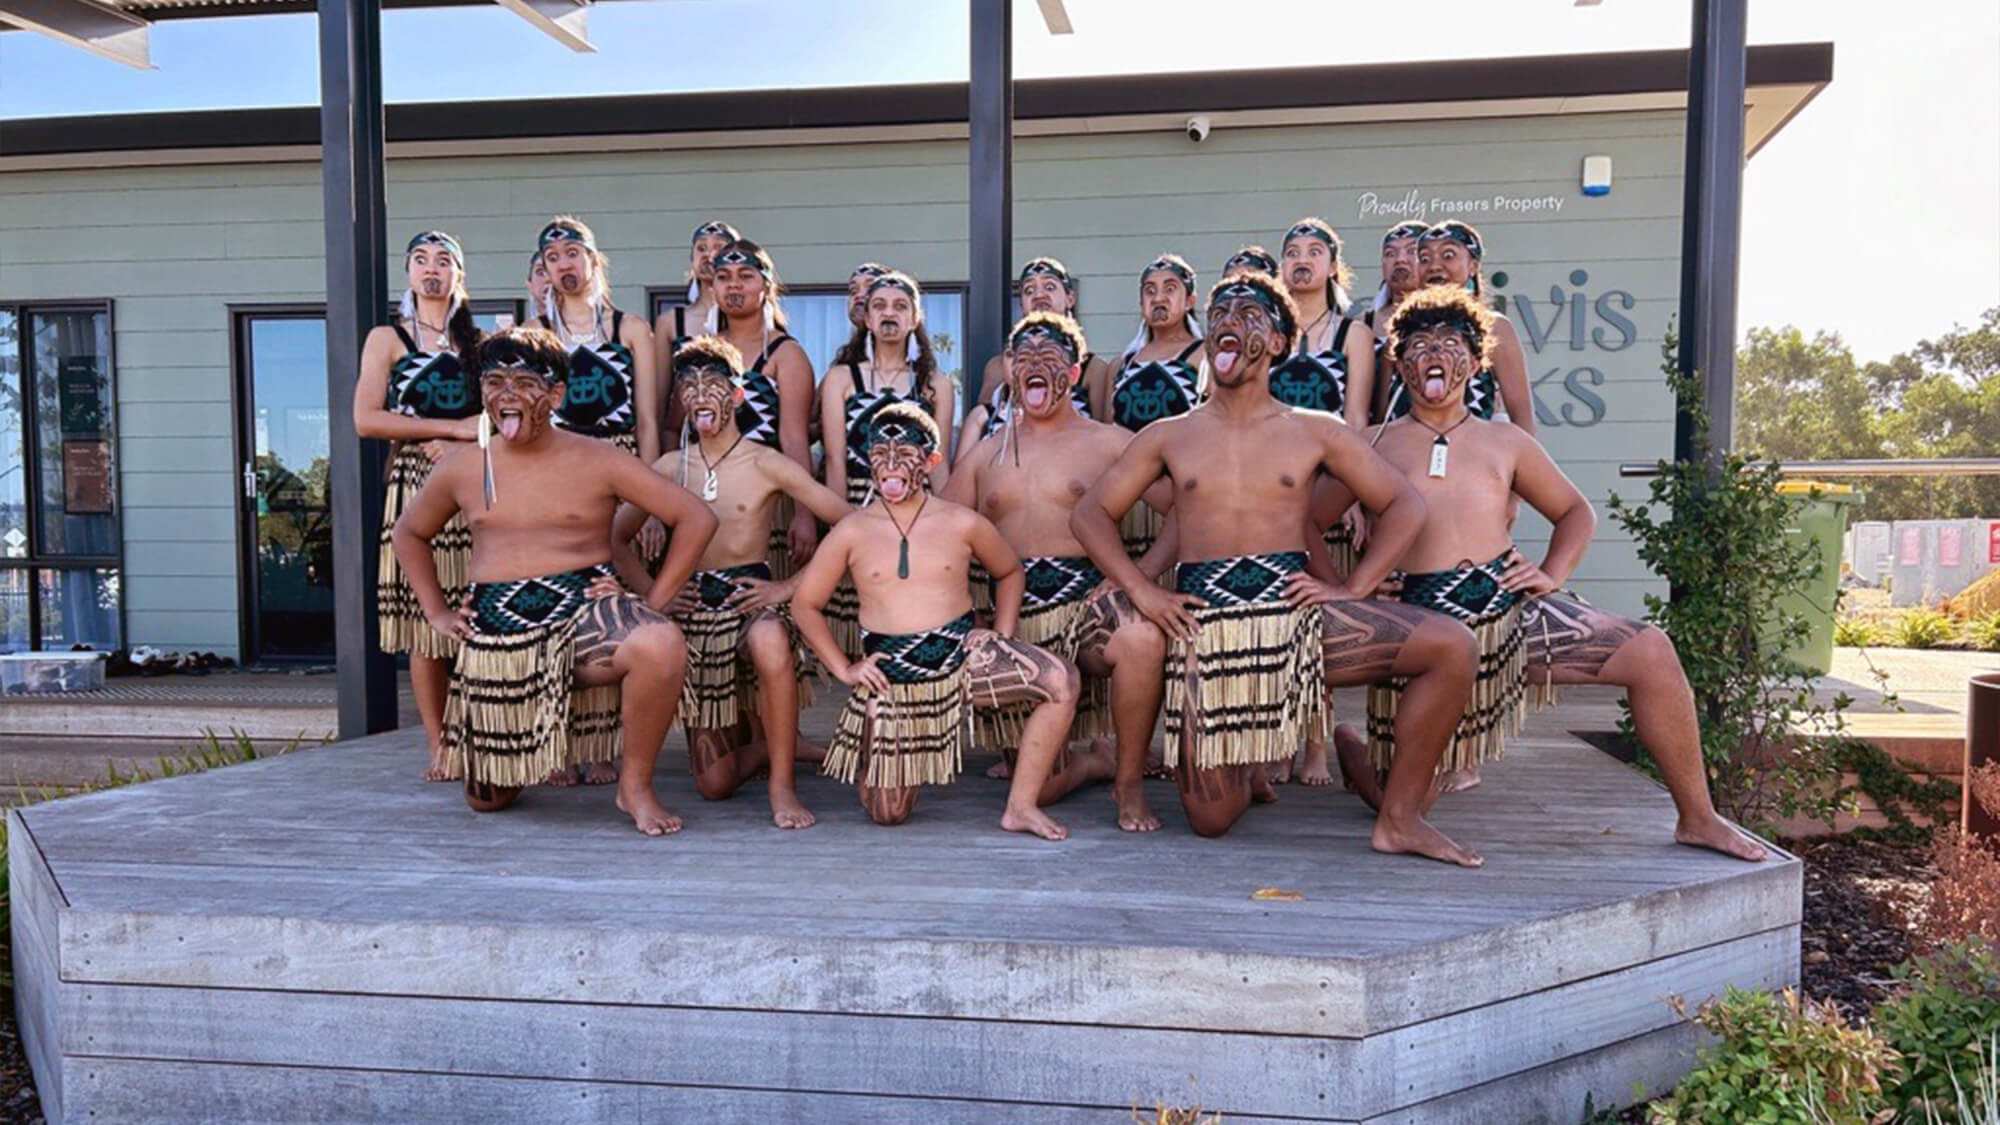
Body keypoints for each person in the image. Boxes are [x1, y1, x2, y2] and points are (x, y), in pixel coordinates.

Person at [1071, 271, 1482, 865]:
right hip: (1207, 630)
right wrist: (1143, 590)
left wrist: (1354, 588)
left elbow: (1404, 505)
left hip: (1297, 619)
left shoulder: (1317, 432)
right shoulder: (1169, 436)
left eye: (1250, 314)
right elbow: (1090, 514)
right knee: (1210, 821)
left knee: (1453, 646)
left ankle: (1400, 817)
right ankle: (1247, 771)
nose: (1229, 324)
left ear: (1282, 341)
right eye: (1220, 316)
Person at [1342, 286, 1765, 862]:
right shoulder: (1372, 443)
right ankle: (1358, 758)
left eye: (1448, 344)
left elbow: (1574, 512)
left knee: (1651, 652)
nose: (1432, 356)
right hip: (1421, 629)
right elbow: (1307, 520)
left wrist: (1550, 573)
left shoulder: (1504, 440)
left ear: (1476, 359)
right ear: (1397, 361)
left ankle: (1698, 816)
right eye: (1416, 346)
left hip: (1509, 615)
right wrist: (1358, 591)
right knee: (1404, 801)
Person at [392, 325, 717, 836]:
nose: (507, 395)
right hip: (500, 632)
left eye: (523, 382)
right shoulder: (463, 466)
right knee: (486, 802)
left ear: (557, 393)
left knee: (659, 642)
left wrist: (653, 601)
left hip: (584, 617)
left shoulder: (598, 458)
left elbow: (695, 517)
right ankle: (525, 754)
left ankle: (635, 785)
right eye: (495, 383)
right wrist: (436, 610)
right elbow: (409, 533)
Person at [792, 402, 1099, 841]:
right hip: (893, 676)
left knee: (1061, 681)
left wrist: (1000, 638)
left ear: (931, 461)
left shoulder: (961, 522)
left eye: (905, 456)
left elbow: (1010, 572)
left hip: (961, 662)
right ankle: (874, 748)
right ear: (869, 459)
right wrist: (845, 668)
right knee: (887, 813)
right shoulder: (851, 530)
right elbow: (805, 604)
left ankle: (1021, 805)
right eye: (881, 455)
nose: (892, 467)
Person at [603, 336, 852, 830]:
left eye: (712, 386)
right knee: (713, 785)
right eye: (689, 388)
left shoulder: (765, 462)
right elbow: (613, 537)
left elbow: (852, 527)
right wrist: (656, 599)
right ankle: (765, 747)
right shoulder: (670, 467)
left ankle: (783, 783)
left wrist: (787, 590)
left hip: (751, 600)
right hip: (694, 611)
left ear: (737, 396)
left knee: (770, 638)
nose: (699, 397)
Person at [944, 313, 1177, 809]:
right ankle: (1097, 762)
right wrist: (972, 618)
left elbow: (1186, 508)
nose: (1034, 367)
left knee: (1141, 636)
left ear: (1073, 374)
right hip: (1015, 616)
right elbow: (939, 537)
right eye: (1023, 360)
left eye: (1049, 359)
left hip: (1086, 610)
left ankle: (1128, 782)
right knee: (1040, 788)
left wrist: (1141, 579)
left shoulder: (1110, 442)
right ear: (1010, 373)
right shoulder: (986, 455)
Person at [357, 230, 484, 782]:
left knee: (477, 609)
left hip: (473, 485)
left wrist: (462, 440)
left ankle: (480, 730)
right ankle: (438, 742)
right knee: (424, 623)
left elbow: (502, 417)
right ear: (408, 273)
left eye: (443, 261)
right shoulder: (386, 338)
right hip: (412, 481)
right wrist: (444, 427)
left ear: (459, 274)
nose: (431, 270)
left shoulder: (478, 341)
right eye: (420, 261)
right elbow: (367, 418)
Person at [817, 270, 958, 654]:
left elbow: (939, 462)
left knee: (912, 608)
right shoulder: (842, 379)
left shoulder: (934, 385)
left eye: (900, 306)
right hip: (859, 501)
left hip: (919, 506)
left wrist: (948, 523)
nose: (889, 314)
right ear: (866, 317)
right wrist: (839, 525)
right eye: (879, 306)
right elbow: (834, 459)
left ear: (915, 318)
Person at [686, 238, 818, 579]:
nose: (734, 284)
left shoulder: (785, 354)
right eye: (724, 276)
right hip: (705, 489)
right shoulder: (702, 352)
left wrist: (804, 515)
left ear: (766, 286)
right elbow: (678, 431)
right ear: (712, 286)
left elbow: (794, 438)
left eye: (746, 276)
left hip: (767, 496)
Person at [1378, 220, 1534, 433]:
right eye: (1424, 258)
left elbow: (1522, 418)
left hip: (1474, 457)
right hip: (1404, 458)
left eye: (1448, 255)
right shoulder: (1401, 328)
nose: (1434, 265)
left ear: (1473, 265)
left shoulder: (1495, 327)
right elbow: (1382, 416)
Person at [1100, 254, 1205, 559]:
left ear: (1189, 300)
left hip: (1182, 492)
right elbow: (1109, 432)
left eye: (1170, 288)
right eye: (1149, 290)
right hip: (1129, 501)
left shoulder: (1204, 355)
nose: (1158, 297)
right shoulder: (1122, 364)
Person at [534, 215, 662, 463]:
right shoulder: (536, 333)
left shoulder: (630, 329)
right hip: (556, 462)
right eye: (553, 258)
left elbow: (647, 419)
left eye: (572, 253)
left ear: (592, 259)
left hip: (618, 460)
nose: (564, 265)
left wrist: (648, 487)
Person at [959, 257, 1103, 457]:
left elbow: (1102, 429)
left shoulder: (1093, 368)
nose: (1039, 295)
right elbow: (985, 422)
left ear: (1070, 298)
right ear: (1022, 304)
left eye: (1050, 287)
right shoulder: (998, 367)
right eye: (1029, 290)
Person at [1365, 220, 1429, 421]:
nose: (1400, 260)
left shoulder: (1454, 323)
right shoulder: (1360, 326)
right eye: (1390, 254)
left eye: (1412, 251)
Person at [654, 219, 737, 354]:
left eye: (719, 248)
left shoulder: (749, 320)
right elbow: (661, 375)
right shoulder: (670, 322)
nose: (708, 255)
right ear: (692, 258)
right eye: (701, 248)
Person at [830, 262, 891, 370]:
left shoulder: (917, 368)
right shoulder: (841, 369)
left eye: (870, 288)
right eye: (854, 291)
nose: (859, 295)